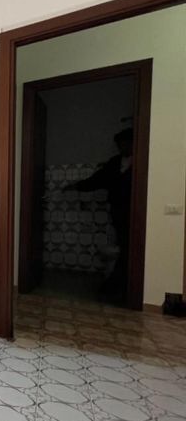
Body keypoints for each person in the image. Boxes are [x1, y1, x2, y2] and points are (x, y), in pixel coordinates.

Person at [64, 128, 133, 304]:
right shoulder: (115, 163)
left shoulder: (141, 161)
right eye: (120, 144)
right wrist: (75, 186)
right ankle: (116, 286)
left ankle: (117, 286)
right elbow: (96, 180)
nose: (122, 147)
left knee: (128, 249)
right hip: (118, 210)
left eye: (126, 143)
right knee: (123, 246)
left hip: (134, 213)